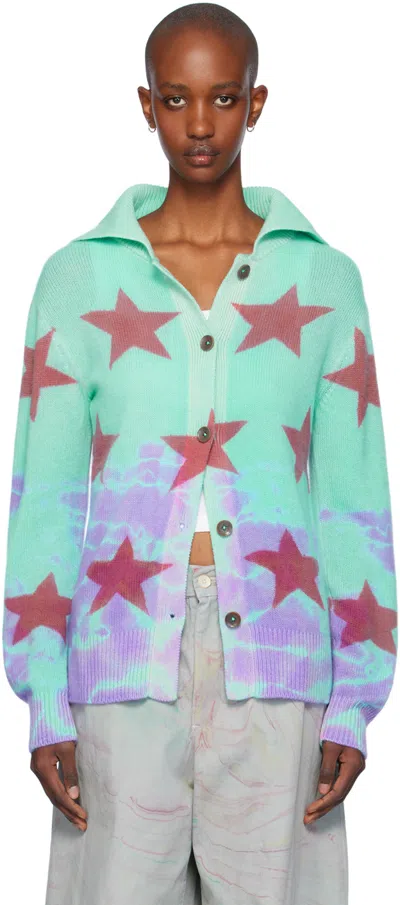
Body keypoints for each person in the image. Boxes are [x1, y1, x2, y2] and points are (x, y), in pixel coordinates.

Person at [2, 3, 397, 904]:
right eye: (176, 99)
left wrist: (357, 698)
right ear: (147, 105)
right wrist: (44, 694)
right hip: (121, 665)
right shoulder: (78, 279)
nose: (200, 124)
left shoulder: (326, 281)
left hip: (280, 668)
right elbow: (45, 499)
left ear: (256, 103)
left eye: (222, 97)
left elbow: (355, 500)